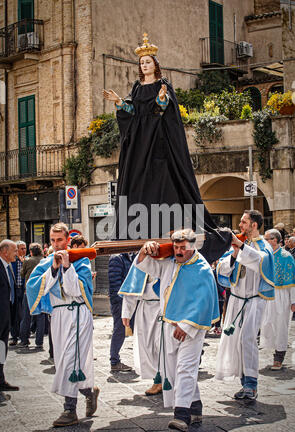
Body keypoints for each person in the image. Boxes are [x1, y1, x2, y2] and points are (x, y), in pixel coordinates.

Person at [102, 33, 231, 264]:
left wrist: (162, 100)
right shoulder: (137, 87)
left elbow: (165, 110)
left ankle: (168, 221)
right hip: (140, 140)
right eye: (142, 63)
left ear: (155, 65)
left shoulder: (163, 85)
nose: (144, 65)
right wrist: (120, 103)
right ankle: (135, 223)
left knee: (164, 176)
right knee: (136, 177)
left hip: (159, 139)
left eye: (148, 62)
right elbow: (133, 112)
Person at [134, 228, 220, 432]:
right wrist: (144, 251)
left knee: (185, 369)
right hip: (168, 325)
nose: (179, 251)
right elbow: (144, 265)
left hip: (192, 328)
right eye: (176, 247)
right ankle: (196, 407)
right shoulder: (169, 263)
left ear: (192, 247)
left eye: (183, 248)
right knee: (171, 370)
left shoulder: (202, 269)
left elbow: (204, 300)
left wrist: (186, 326)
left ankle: (182, 415)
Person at [26, 222, 99, 427]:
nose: (57, 244)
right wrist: (55, 268)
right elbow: (34, 286)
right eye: (53, 240)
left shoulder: (81, 260)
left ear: (68, 240)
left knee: (70, 359)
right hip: (58, 316)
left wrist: (67, 267)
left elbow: (78, 290)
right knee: (63, 362)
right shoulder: (47, 262)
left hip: (78, 313)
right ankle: (89, 391)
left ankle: (69, 410)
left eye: (60, 240)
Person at [215, 210, 274, 401]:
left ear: (254, 225)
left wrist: (241, 247)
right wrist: (234, 254)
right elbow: (223, 266)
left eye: (244, 222)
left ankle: (251, 384)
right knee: (235, 341)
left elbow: (259, 261)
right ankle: (243, 381)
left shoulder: (264, 246)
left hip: (254, 300)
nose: (240, 225)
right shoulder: (241, 244)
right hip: (236, 300)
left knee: (248, 339)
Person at [120, 264, 162, 395]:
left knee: (162, 345)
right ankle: (157, 379)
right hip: (145, 308)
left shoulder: (170, 260)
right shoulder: (142, 262)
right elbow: (131, 289)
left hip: (164, 308)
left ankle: (165, 379)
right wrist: (126, 312)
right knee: (147, 345)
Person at [260, 229, 295, 370]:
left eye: (267, 239)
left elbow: (294, 280)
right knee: (267, 324)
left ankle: (279, 357)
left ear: (275, 240)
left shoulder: (286, 256)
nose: (265, 241)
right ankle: (269, 347)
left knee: (281, 327)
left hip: (282, 296)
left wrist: (294, 301)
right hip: (266, 295)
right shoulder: (265, 256)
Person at [108, 253, 136, 372]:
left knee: (135, 329)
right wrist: (121, 303)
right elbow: (115, 282)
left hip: (131, 299)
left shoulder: (132, 256)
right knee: (120, 329)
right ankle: (114, 361)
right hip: (121, 301)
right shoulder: (116, 258)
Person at [0, 239, 19, 392]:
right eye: (14, 251)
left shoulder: (8, 266)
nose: (16, 253)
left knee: (2, 349)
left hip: (6, 317)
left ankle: (1, 379)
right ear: (5, 252)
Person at [19, 243, 44, 349]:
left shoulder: (27, 261)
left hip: (29, 292)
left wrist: (23, 262)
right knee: (41, 317)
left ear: (31, 251)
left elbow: (22, 274)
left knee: (26, 316)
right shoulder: (44, 260)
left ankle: (24, 340)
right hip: (42, 291)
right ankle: (39, 342)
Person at [9, 241, 26, 346]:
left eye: (25, 248)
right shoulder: (12, 261)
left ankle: (23, 336)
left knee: (23, 314)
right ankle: (14, 336)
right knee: (14, 313)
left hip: (23, 289)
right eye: (21, 248)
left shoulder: (26, 260)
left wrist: (24, 262)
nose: (24, 250)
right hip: (15, 289)